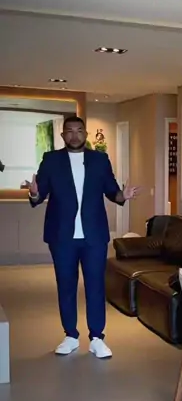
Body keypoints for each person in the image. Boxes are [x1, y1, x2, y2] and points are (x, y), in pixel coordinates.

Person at [26, 115, 139, 358]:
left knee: (95, 286)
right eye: (69, 131)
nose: (74, 135)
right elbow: (39, 194)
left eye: (79, 130)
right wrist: (34, 193)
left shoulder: (100, 159)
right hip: (62, 236)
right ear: (63, 135)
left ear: (85, 134)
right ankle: (70, 336)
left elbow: (112, 191)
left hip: (94, 236)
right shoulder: (51, 160)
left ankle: (97, 337)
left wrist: (123, 195)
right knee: (66, 286)